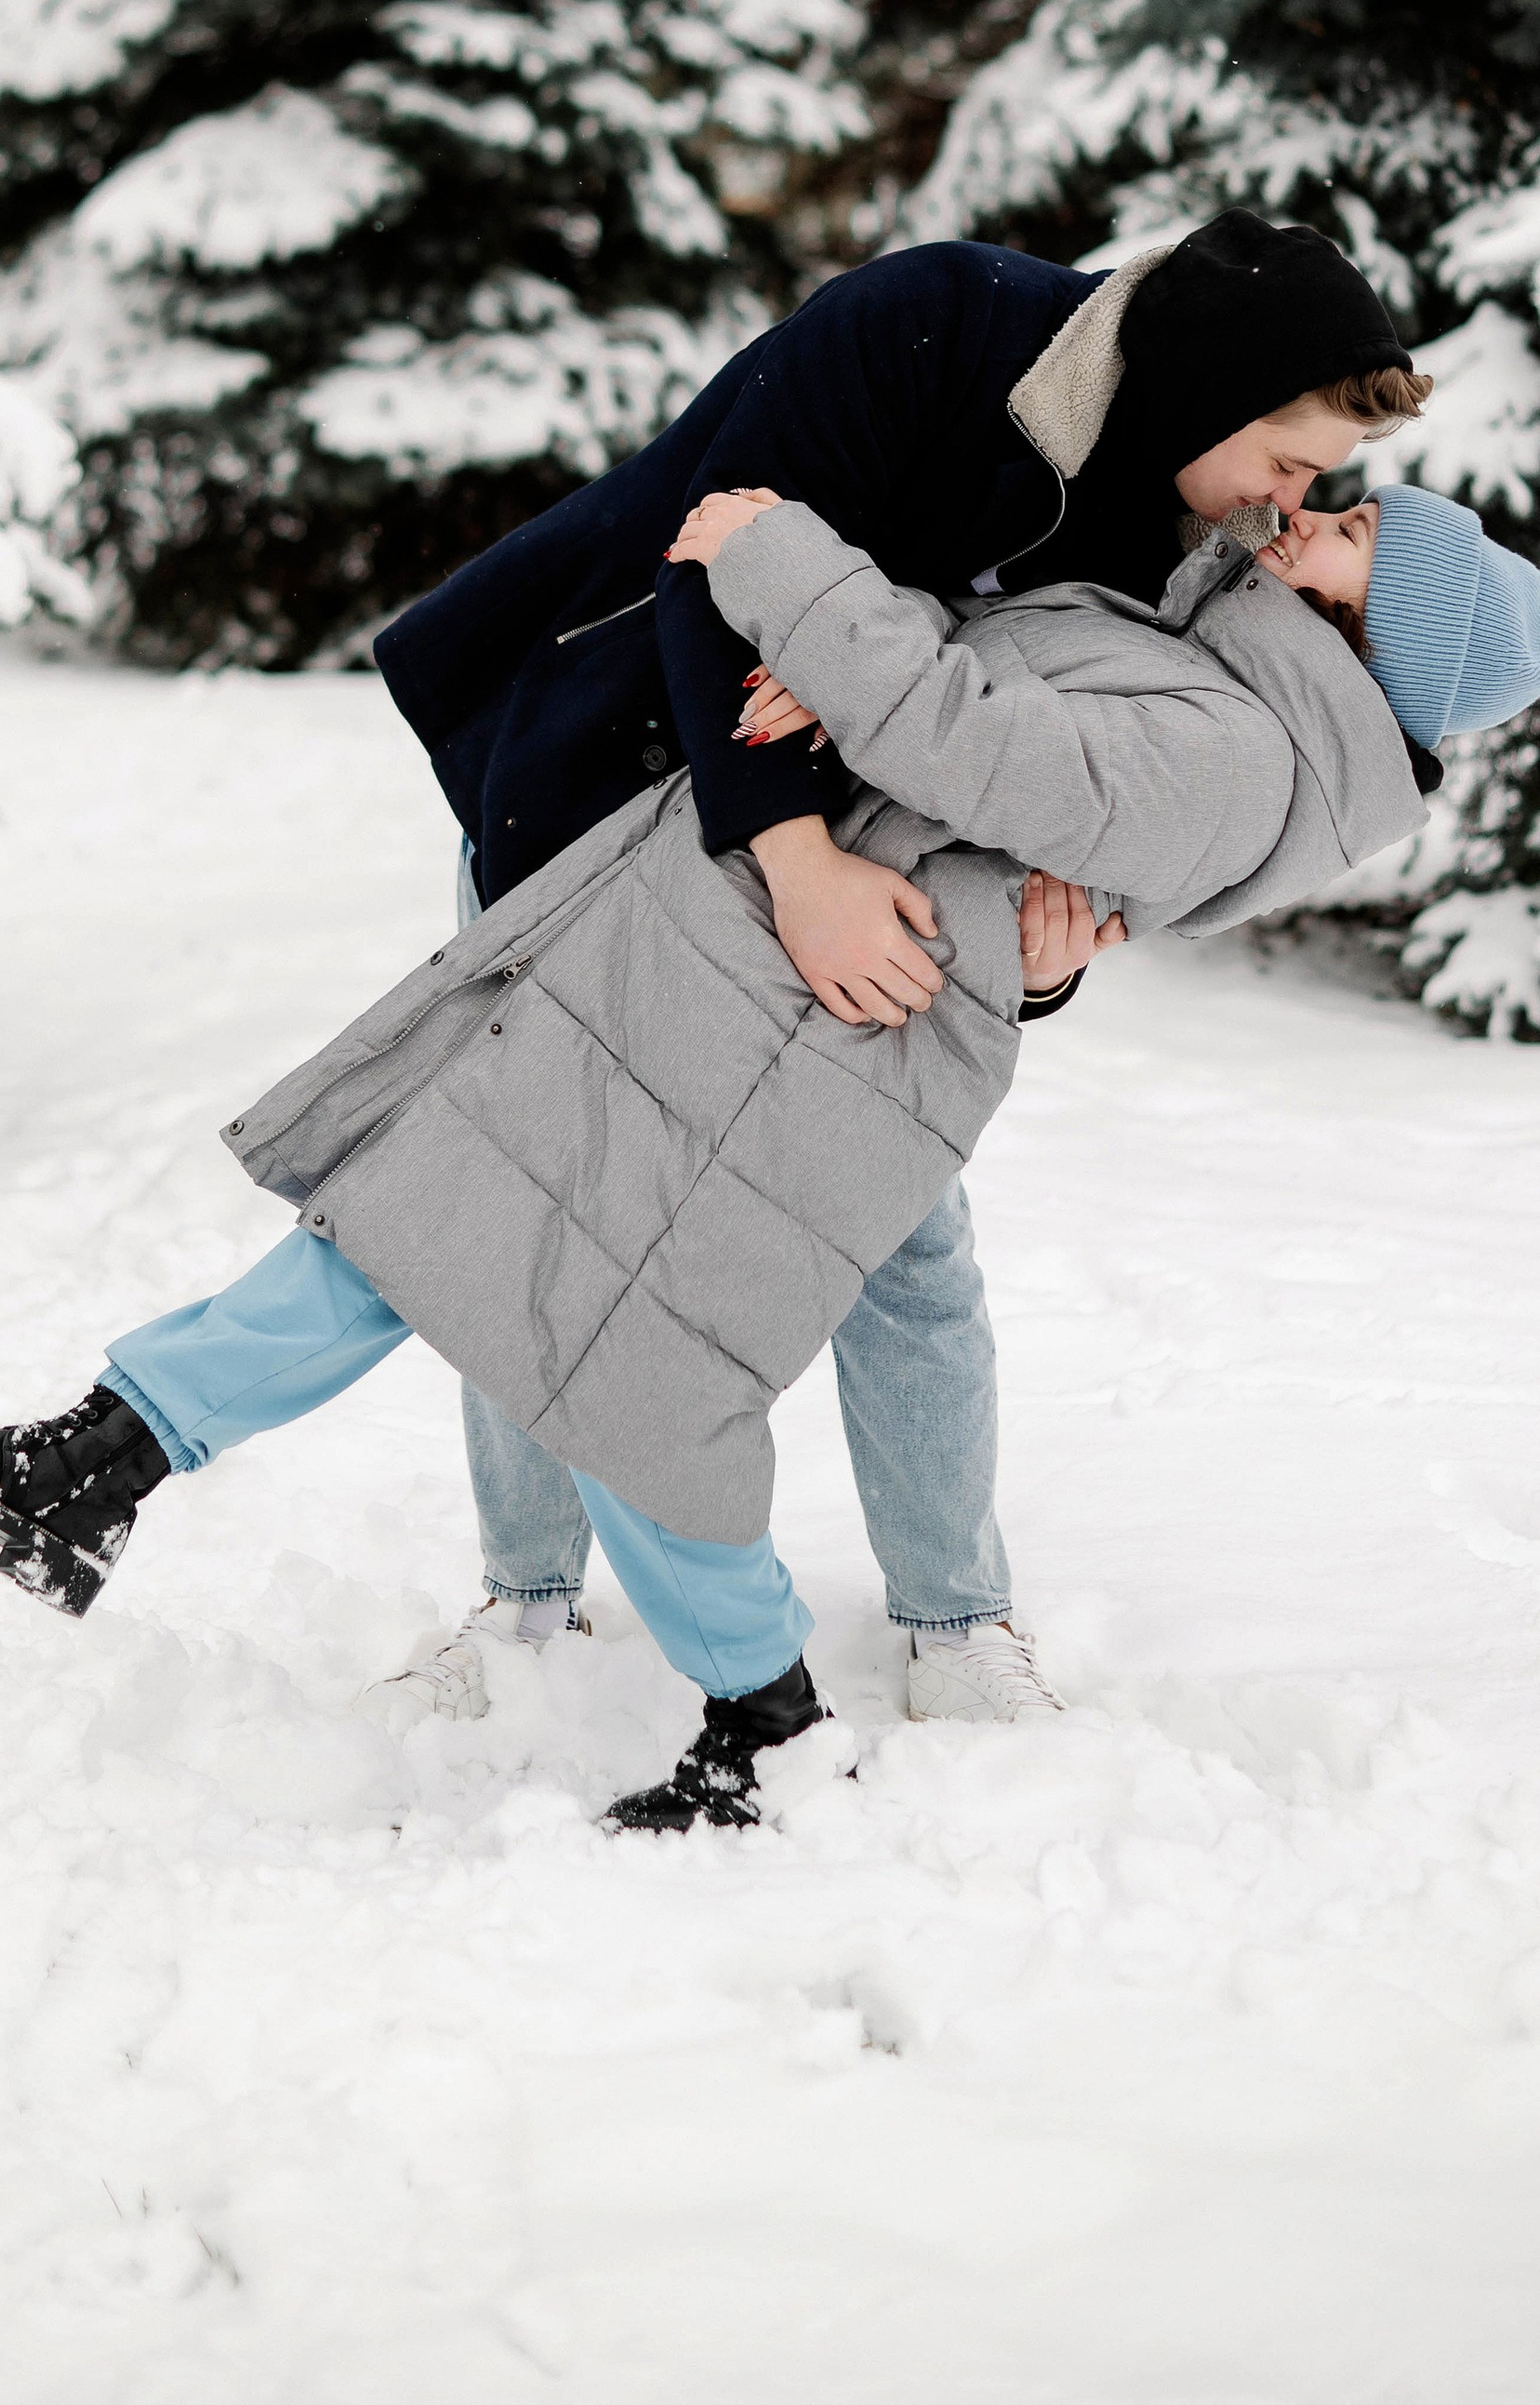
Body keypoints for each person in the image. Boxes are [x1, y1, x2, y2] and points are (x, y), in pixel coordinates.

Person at [0, 463, 1540, 1835]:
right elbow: (981, 728)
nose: (1305, 515)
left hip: (818, 1032)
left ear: (1376, 644)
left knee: (621, 1342)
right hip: (752, 956)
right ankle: (99, 1463)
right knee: (448, 1213)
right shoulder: (1210, 664)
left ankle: (766, 1717)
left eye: (1348, 537)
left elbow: (979, 743)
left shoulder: (1238, 745)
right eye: (1336, 499)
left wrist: (786, 564)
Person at [351, 211, 1434, 1728]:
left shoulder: (1186, 536)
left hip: (863, 896)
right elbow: (711, 540)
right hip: (608, 769)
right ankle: (526, 1600)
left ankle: (957, 1625)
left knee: (904, 1244)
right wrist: (792, 854)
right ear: (1211, 384)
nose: (1292, 502)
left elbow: (1051, 773)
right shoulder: (942, 318)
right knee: (535, 1187)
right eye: (1288, 455)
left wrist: (1052, 948)